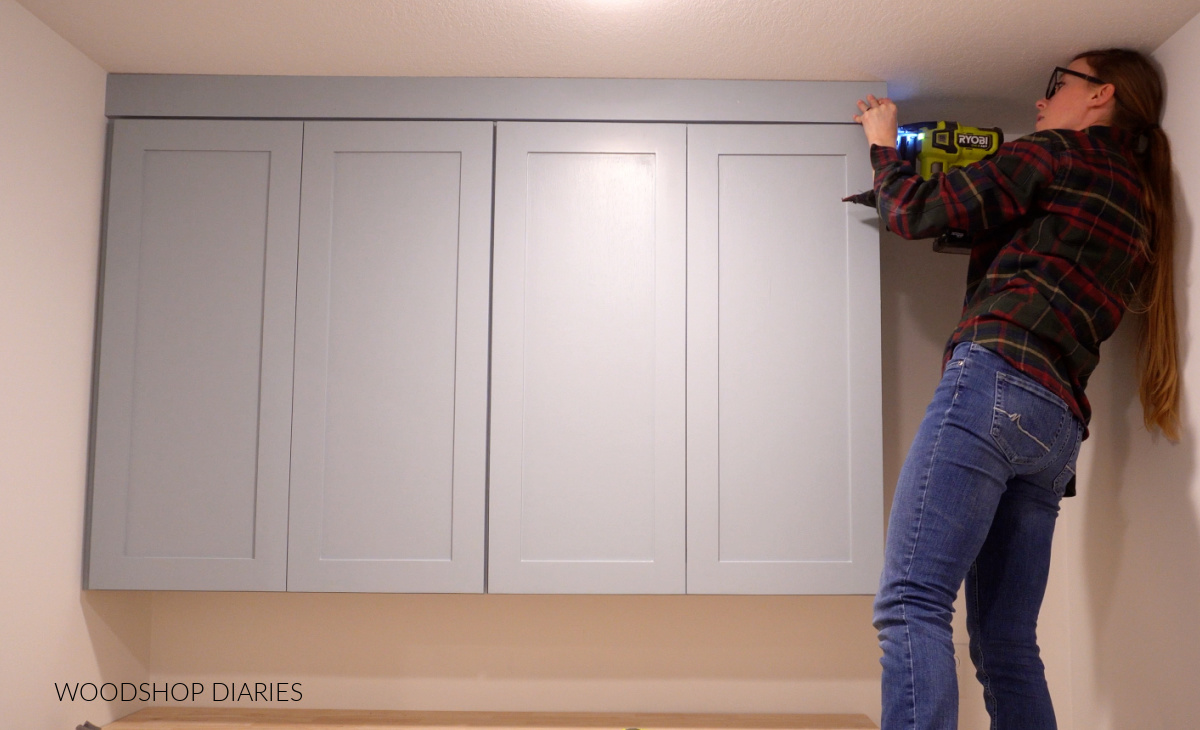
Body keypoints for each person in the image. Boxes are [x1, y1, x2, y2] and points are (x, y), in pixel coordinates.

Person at [852, 49, 1179, 730]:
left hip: (996, 382)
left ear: (1101, 96)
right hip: (1056, 427)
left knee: (911, 601)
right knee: (1004, 643)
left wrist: (884, 148)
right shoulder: (1137, 197)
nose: (1041, 101)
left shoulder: (1059, 152)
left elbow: (915, 213)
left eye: (1056, 86)